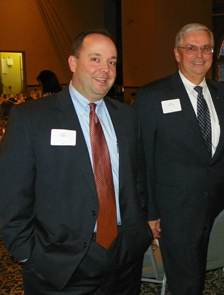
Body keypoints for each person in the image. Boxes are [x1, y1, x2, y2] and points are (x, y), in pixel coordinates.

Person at [0, 28, 152, 294]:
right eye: (95, 59)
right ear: (73, 63)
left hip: (124, 255)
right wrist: (28, 254)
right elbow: (11, 194)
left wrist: (139, 232)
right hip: (59, 263)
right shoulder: (31, 118)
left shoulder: (127, 117)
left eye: (112, 61)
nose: (105, 69)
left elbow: (137, 180)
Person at [133, 23, 224, 295]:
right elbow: (143, 158)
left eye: (205, 48)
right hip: (176, 211)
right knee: (186, 284)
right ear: (177, 53)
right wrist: (149, 212)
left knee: (205, 274)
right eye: (190, 48)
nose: (199, 54)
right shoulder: (152, 96)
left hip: (217, 206)